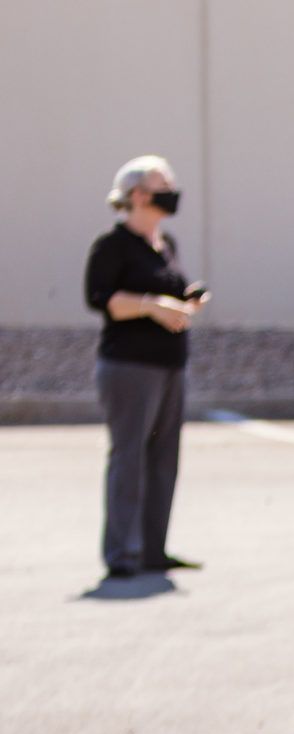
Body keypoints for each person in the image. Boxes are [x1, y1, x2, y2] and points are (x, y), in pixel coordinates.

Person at [85, 155, 206, 580]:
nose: (171, 191)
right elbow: (104, 299)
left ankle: (153, 549)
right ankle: (122, 553)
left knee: (163, 458)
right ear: (137, 194)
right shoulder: (112, 246)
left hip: (171, 365)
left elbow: (172, 288)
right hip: (128, 366)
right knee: (129, 457)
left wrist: (186, 300)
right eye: (162, 184)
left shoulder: (165, 244)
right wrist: (152, 306)